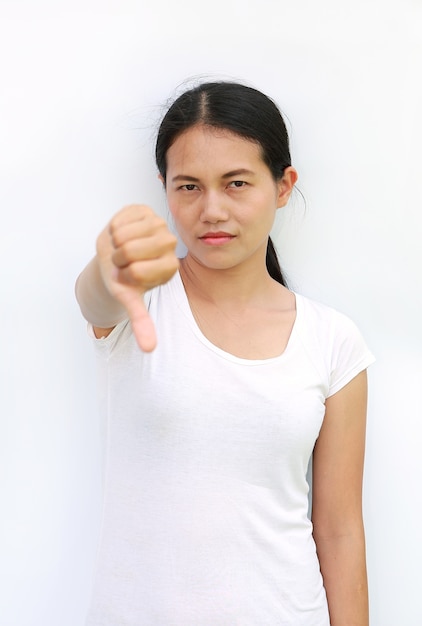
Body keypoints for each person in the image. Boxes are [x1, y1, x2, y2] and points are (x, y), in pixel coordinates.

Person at [75, 80, 375, 626]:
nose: (212, 209)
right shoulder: (138, 303)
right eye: (188, 187)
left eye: (236, 183)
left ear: (283, 186)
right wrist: (107, 270)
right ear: (164, 188)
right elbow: (95, 296)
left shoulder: (333, 341)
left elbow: (338, 530)